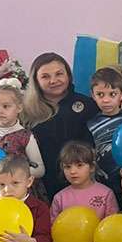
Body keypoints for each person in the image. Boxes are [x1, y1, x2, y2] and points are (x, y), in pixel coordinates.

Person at [22, 53, 99, 198]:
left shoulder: (87, 104)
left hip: (84, 182)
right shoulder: (26, 112)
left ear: (68, 75)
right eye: (45, 76)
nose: (53, 80)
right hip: (44, 186)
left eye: (59, 74)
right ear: (36, 81)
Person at [0, 78, 47, 202]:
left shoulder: (25, 136)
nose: (0, 111)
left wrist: (17, 174)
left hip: (23, 195)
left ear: (19, 107)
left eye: (6, 106)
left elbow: (40, 169)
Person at [86, 65, 122, 205]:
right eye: (100, 94)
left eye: (112, 94)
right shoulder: (90, 124)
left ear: (121, 94)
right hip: (104, 183)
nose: (106, 100)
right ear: (93, 95)